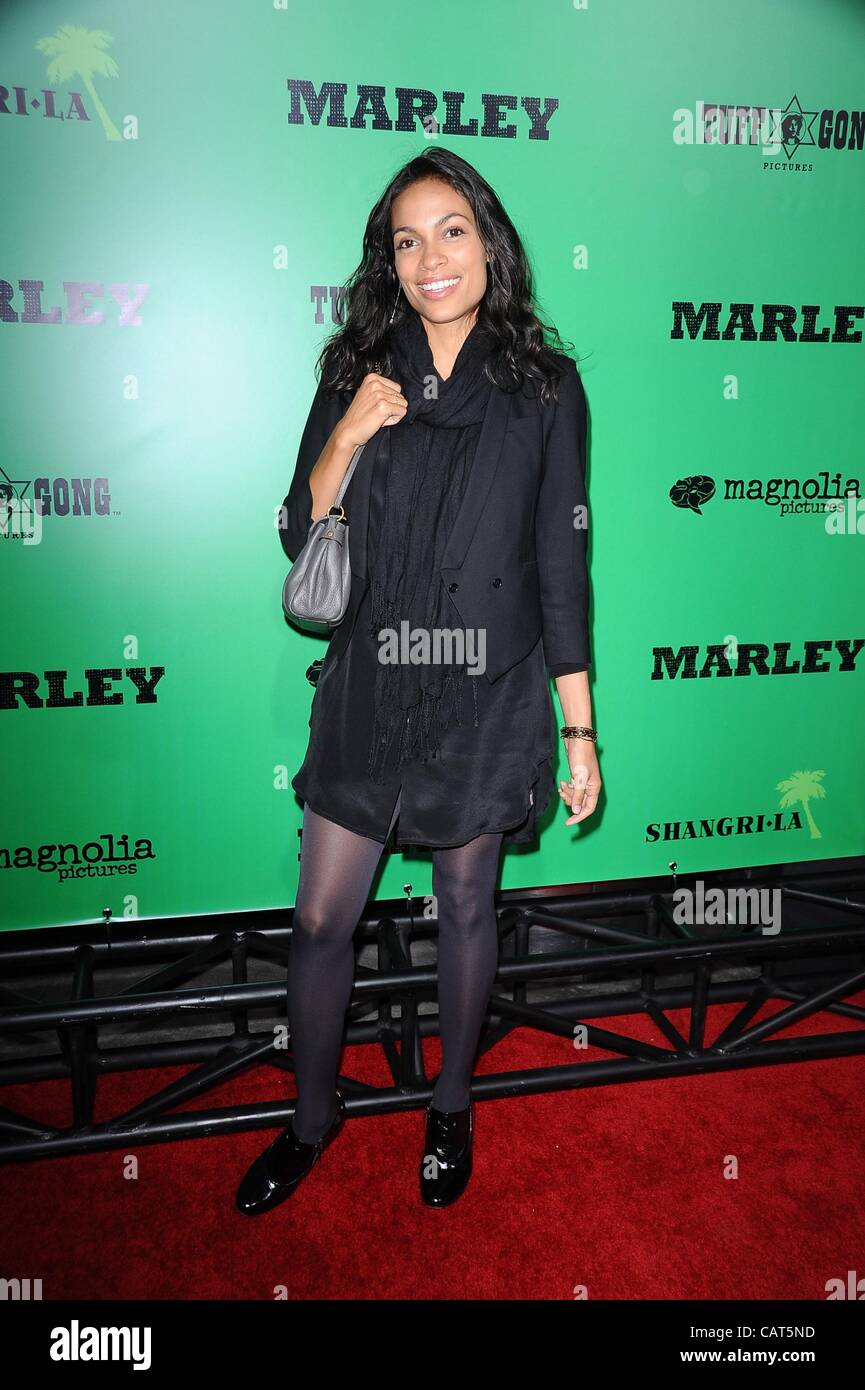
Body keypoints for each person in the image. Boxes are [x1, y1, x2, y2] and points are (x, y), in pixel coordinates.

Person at [236, 147, 601, 1216]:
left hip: (485, 692)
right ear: (386, 262)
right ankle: (312, 1118)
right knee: (316, 922)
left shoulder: (544, 387)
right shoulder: (357, 370)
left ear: (487, 242)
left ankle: (448, 1101)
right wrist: (347, 432)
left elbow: (560, 565)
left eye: (450, 230)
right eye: (406, 239)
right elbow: (301, 535)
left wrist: (579, 733)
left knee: (465, 907)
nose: (429, 257)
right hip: (369, 685)